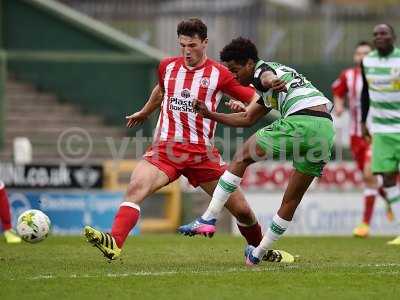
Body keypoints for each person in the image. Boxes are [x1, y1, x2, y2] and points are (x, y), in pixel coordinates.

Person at [84, 18, 290, 261]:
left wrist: (241, 103)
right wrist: (145, 111)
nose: (187, 51)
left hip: (202, 154)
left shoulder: (220, 74)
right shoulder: (167, 67)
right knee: (135, 188)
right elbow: (161, 91)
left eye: (192, 45)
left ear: (204, 43)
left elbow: (256, 97)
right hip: (166, 150)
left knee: (243, 211)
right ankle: (114, 243)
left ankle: (260, 250)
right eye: (182, 45)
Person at [179, 37, 335, 266]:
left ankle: (208, 217)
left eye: (235, 70)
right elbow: (246, 118)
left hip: (302, 122)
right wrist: (210, 114)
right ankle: (257, 254)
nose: (233, 76)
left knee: (241, 158)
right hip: (325, 130)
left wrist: (272, 82)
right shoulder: (269, 88)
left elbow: (266, 77)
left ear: (249, 63)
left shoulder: (263, 71)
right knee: (291, 199)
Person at [332, 41, 392, 238]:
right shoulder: (348, 76)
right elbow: (338, 92)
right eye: (359, 53)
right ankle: (392, 201)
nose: (362, 56)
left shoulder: (382, 73)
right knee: (373, 179)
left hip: (378, 132)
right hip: (356, 135)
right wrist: (339, 106)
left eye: (366, 53)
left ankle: (365, 224)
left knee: (370, 175)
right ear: (355, 57)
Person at [361, 24, 400, 245]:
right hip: (382, 131)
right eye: (375, 34)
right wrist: (362, 121)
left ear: (393, 36)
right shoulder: (368, 61)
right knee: (386, 179)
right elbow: (365, 93)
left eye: (383, 33)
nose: (379, 37)